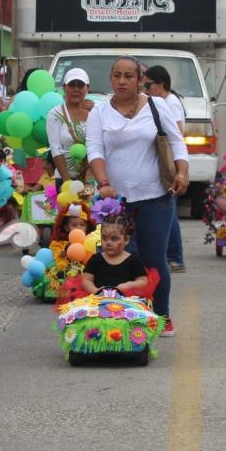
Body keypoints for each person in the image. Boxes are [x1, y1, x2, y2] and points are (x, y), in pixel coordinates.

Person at [87, 56, 188, 335]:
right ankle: (126, 315)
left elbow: (177, 142)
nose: (122, 81)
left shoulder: (157, 106)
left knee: (154, 259)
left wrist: (182, 173)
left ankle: (162, 315)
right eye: (117, 75)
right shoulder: (99, 111)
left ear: (139, 79)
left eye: (128, 76)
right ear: (110, 79)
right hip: (115, 203)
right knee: (118, 258)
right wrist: (103, 182)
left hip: (155, 197)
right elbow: (94, 150)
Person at [144, 65, 188, 274]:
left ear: (160, 84)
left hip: (168, 162)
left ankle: (175, 257)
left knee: (169, 212)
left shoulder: (170, 103)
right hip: (163, 161)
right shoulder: (160, 101)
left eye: (148, 85)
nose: (146, 89)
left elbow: (177, 133)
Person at [81, 215, 148, 296]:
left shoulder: (133, 260)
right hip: (97, 301)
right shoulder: (96, 259)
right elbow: (86, 280)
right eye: (104, 238)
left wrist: (128, 285)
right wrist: (95, 291)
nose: (108, 242)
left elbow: (143, 281)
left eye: (114, 239)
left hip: (127, 302)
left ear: (126, 240)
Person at [46, 68, 94, 183]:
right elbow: (55, 149)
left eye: (80, 85)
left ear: (88, 88)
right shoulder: (55, 114)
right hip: (64, 177)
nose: (76, 89)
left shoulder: (97, 111)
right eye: (72, 85)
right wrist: (67, 180)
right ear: (64, 87)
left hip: (91, 177)